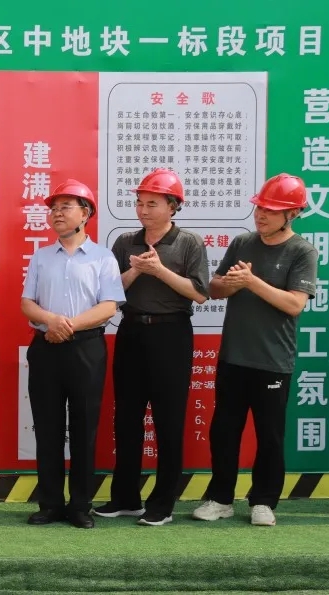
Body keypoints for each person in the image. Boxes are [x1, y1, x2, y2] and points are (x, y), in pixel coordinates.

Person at [192, 173, 318, 527]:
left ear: (293, 213)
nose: (261, 215)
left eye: (271, 210)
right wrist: (233, 284)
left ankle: (263, 501)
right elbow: (215, 289)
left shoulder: (302, 251)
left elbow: (294, 304)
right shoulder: (242, 242)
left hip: (273, 361)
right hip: (233, 356)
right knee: (224, 431)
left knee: (269, 435)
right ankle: (220, 498)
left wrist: (251, 281)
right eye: (260, 207)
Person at [94, 168, 210, 527]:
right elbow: (110, 292)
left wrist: (159, 270)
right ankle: (125, 498)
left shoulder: (189, 242)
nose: (143, 210)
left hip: (171, 334)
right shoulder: (125, 241)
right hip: (131, 331)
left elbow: (200, 293)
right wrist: (135, 272)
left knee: (168, 420)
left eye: (152, 203)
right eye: (140, 203)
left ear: (173, 206)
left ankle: (163, 503)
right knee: (126, 418)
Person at [20, 179, 126, 529]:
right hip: (45, 348)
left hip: (86, 349)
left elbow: (109, 306)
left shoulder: (103, 257)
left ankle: (80, 505)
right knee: (47, 427)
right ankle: (50, 503)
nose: (56, 213)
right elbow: (27, 303)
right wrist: (51, 322)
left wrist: (68, 326)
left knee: (84, 427)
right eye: (54, 208)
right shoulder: (41, 256)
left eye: (65, 207)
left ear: (86, 213)